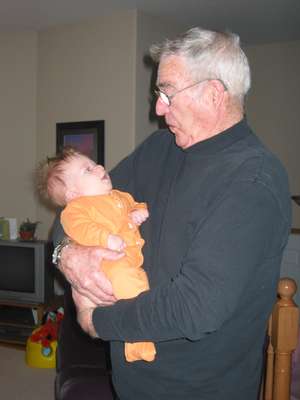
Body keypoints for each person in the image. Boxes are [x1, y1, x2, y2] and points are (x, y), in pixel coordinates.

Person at [53, 27, 292, 400]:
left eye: (167, 92)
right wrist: (67, 254)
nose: (158, 108)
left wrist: (96, 321)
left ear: (214, 94)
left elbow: (194, 308)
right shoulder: (162, 147)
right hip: (132, 382)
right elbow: (78, 207)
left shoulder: (252, 182)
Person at [38, 148, 156, 362]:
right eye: (88, 170)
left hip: (129, 258)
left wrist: (139, 210)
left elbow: (134, 204)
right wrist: (105, 238)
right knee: (134, 288)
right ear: (73, 195)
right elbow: (80, 229)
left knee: (136, 284)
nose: (100, 167)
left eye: (95, 164)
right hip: (108, 262)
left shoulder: (119, 195)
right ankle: (138, 343)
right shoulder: (76, 209)